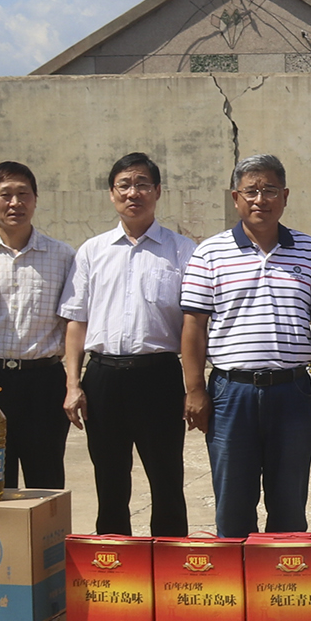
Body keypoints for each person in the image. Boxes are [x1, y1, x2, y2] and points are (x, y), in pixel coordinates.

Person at [181, 154, 311, 537]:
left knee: (289, 504)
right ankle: (236, 574)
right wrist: (195, 389)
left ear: (285, 196)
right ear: (236, 198)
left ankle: (285, 573)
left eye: (269, 190)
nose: (260, 200)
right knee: (233, 505)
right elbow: (194, 327)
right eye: (251, 191)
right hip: (231, 394)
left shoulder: (310, 251)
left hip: (292, 392)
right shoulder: (209, 253)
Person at [59, 153, 197, 536]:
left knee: (167, 481)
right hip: (103, 379)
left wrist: (193, 387)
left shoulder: (182, 251)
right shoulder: (92, 251)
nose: (133, 193)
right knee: (110, 482)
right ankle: (114, 563)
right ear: (111, 193)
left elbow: (193, 325)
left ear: (157, 191)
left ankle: (170, 564)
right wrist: (73, 384)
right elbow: (76, 321)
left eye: (142, 184)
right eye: (124, 185)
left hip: (159, 378)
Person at [0, 161, 75, 489]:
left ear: (35, 199)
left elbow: (72, 322)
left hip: (45, 381)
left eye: (23, 194)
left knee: (46, 478)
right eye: (5, 195)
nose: (15, 203)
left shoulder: (63, 256)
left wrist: (73, 383)